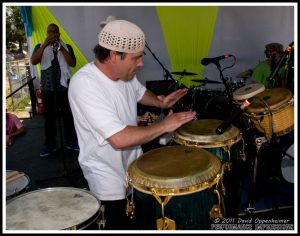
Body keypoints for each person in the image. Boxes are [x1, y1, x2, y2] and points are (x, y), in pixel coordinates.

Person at [68, 20, 196, 230]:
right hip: (107, 180)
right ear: (113, 55)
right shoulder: (85, 84)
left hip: (134, 170)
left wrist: (159, 102)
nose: (141, 64)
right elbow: (119, 139)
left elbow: (139, 92)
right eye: (136, 58)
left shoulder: (125, 75)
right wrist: (164, 126)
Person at [31, 23, 79, 157]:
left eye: (55, 32)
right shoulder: (39, 47)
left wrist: (62, 49)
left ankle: (71, 141)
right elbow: (34, 61)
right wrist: (45, 43)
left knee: (68, 116)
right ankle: (50, 144)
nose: (53, 34)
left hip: (64, 89)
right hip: (48, 89)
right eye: (50, 32)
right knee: (49, 119)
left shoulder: (66, 46)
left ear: (59, 34)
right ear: (47, 34)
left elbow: (73, 63)